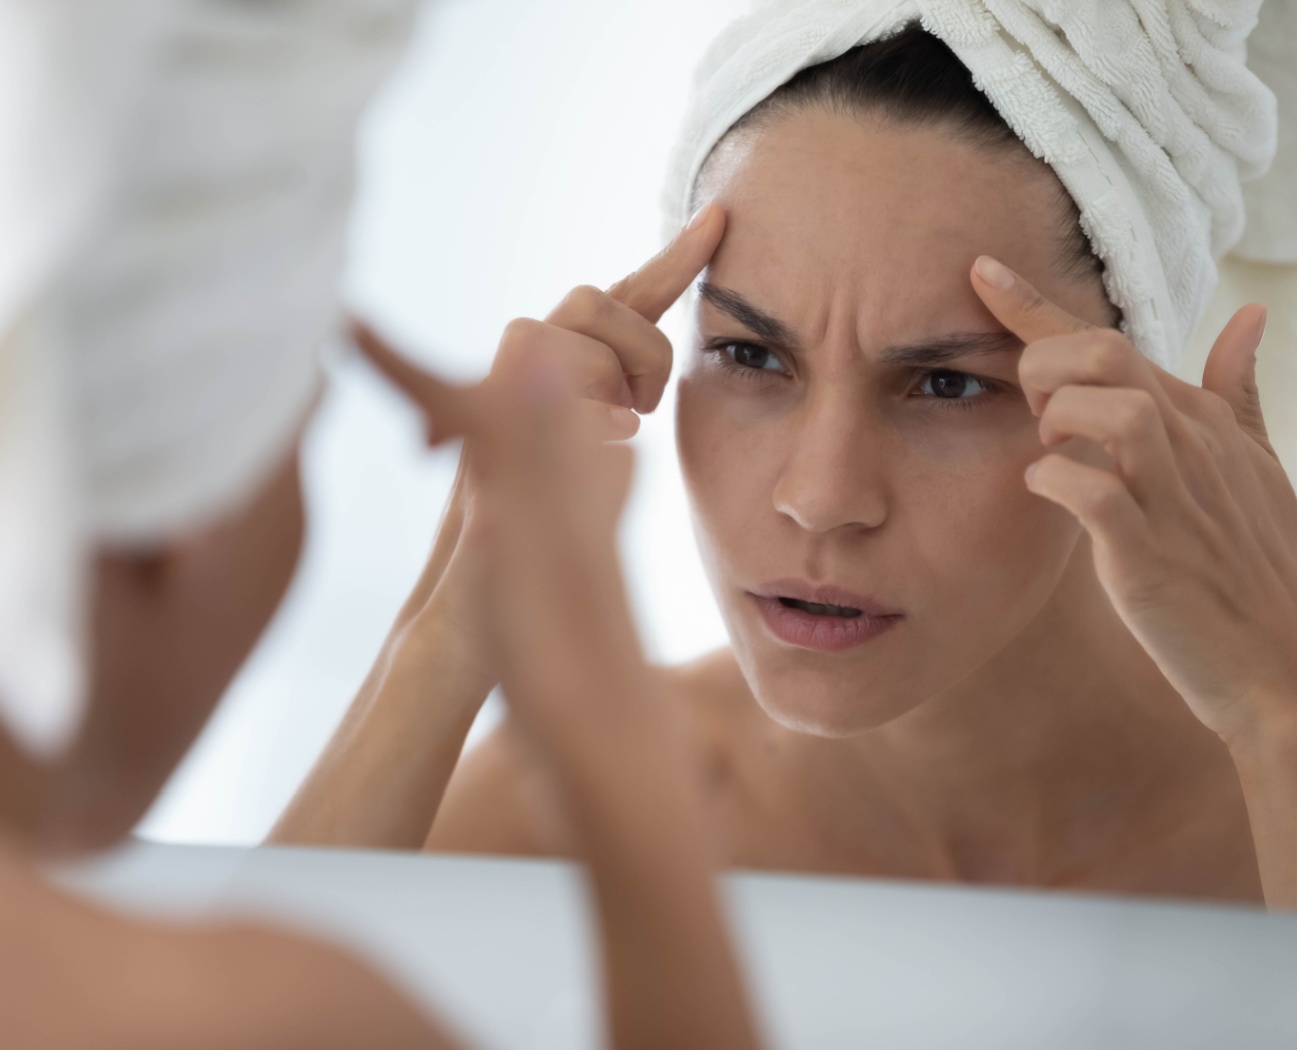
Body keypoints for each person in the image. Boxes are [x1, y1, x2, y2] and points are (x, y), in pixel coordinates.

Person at [275, 18, 1297, 927]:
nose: (819, 495)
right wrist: (439, 642)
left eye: (949, 382)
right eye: (748, 353)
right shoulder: (555, 817)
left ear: (1139, 393)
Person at [0, 2, 761, 1045]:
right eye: (303, 425)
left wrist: (452, 625)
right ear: (183, 515)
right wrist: (608, 722)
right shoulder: (264, 1014)